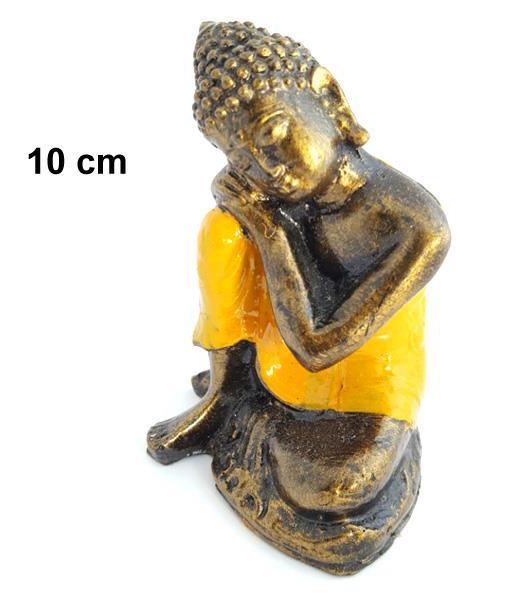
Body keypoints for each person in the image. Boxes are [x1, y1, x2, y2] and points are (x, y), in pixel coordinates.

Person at [147, 21, 450, 574]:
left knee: (337, 488)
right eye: (243, 160)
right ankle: (227, 393)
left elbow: (318, 346)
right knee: (222, 230)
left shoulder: (416, 225)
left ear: (329, 97)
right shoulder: (275, 193)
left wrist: (269, 227)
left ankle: (249, 418)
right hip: (277, 361)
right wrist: (250, 217)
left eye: (272, 135)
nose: (268, 171)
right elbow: (229, 195)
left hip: (366, 392)